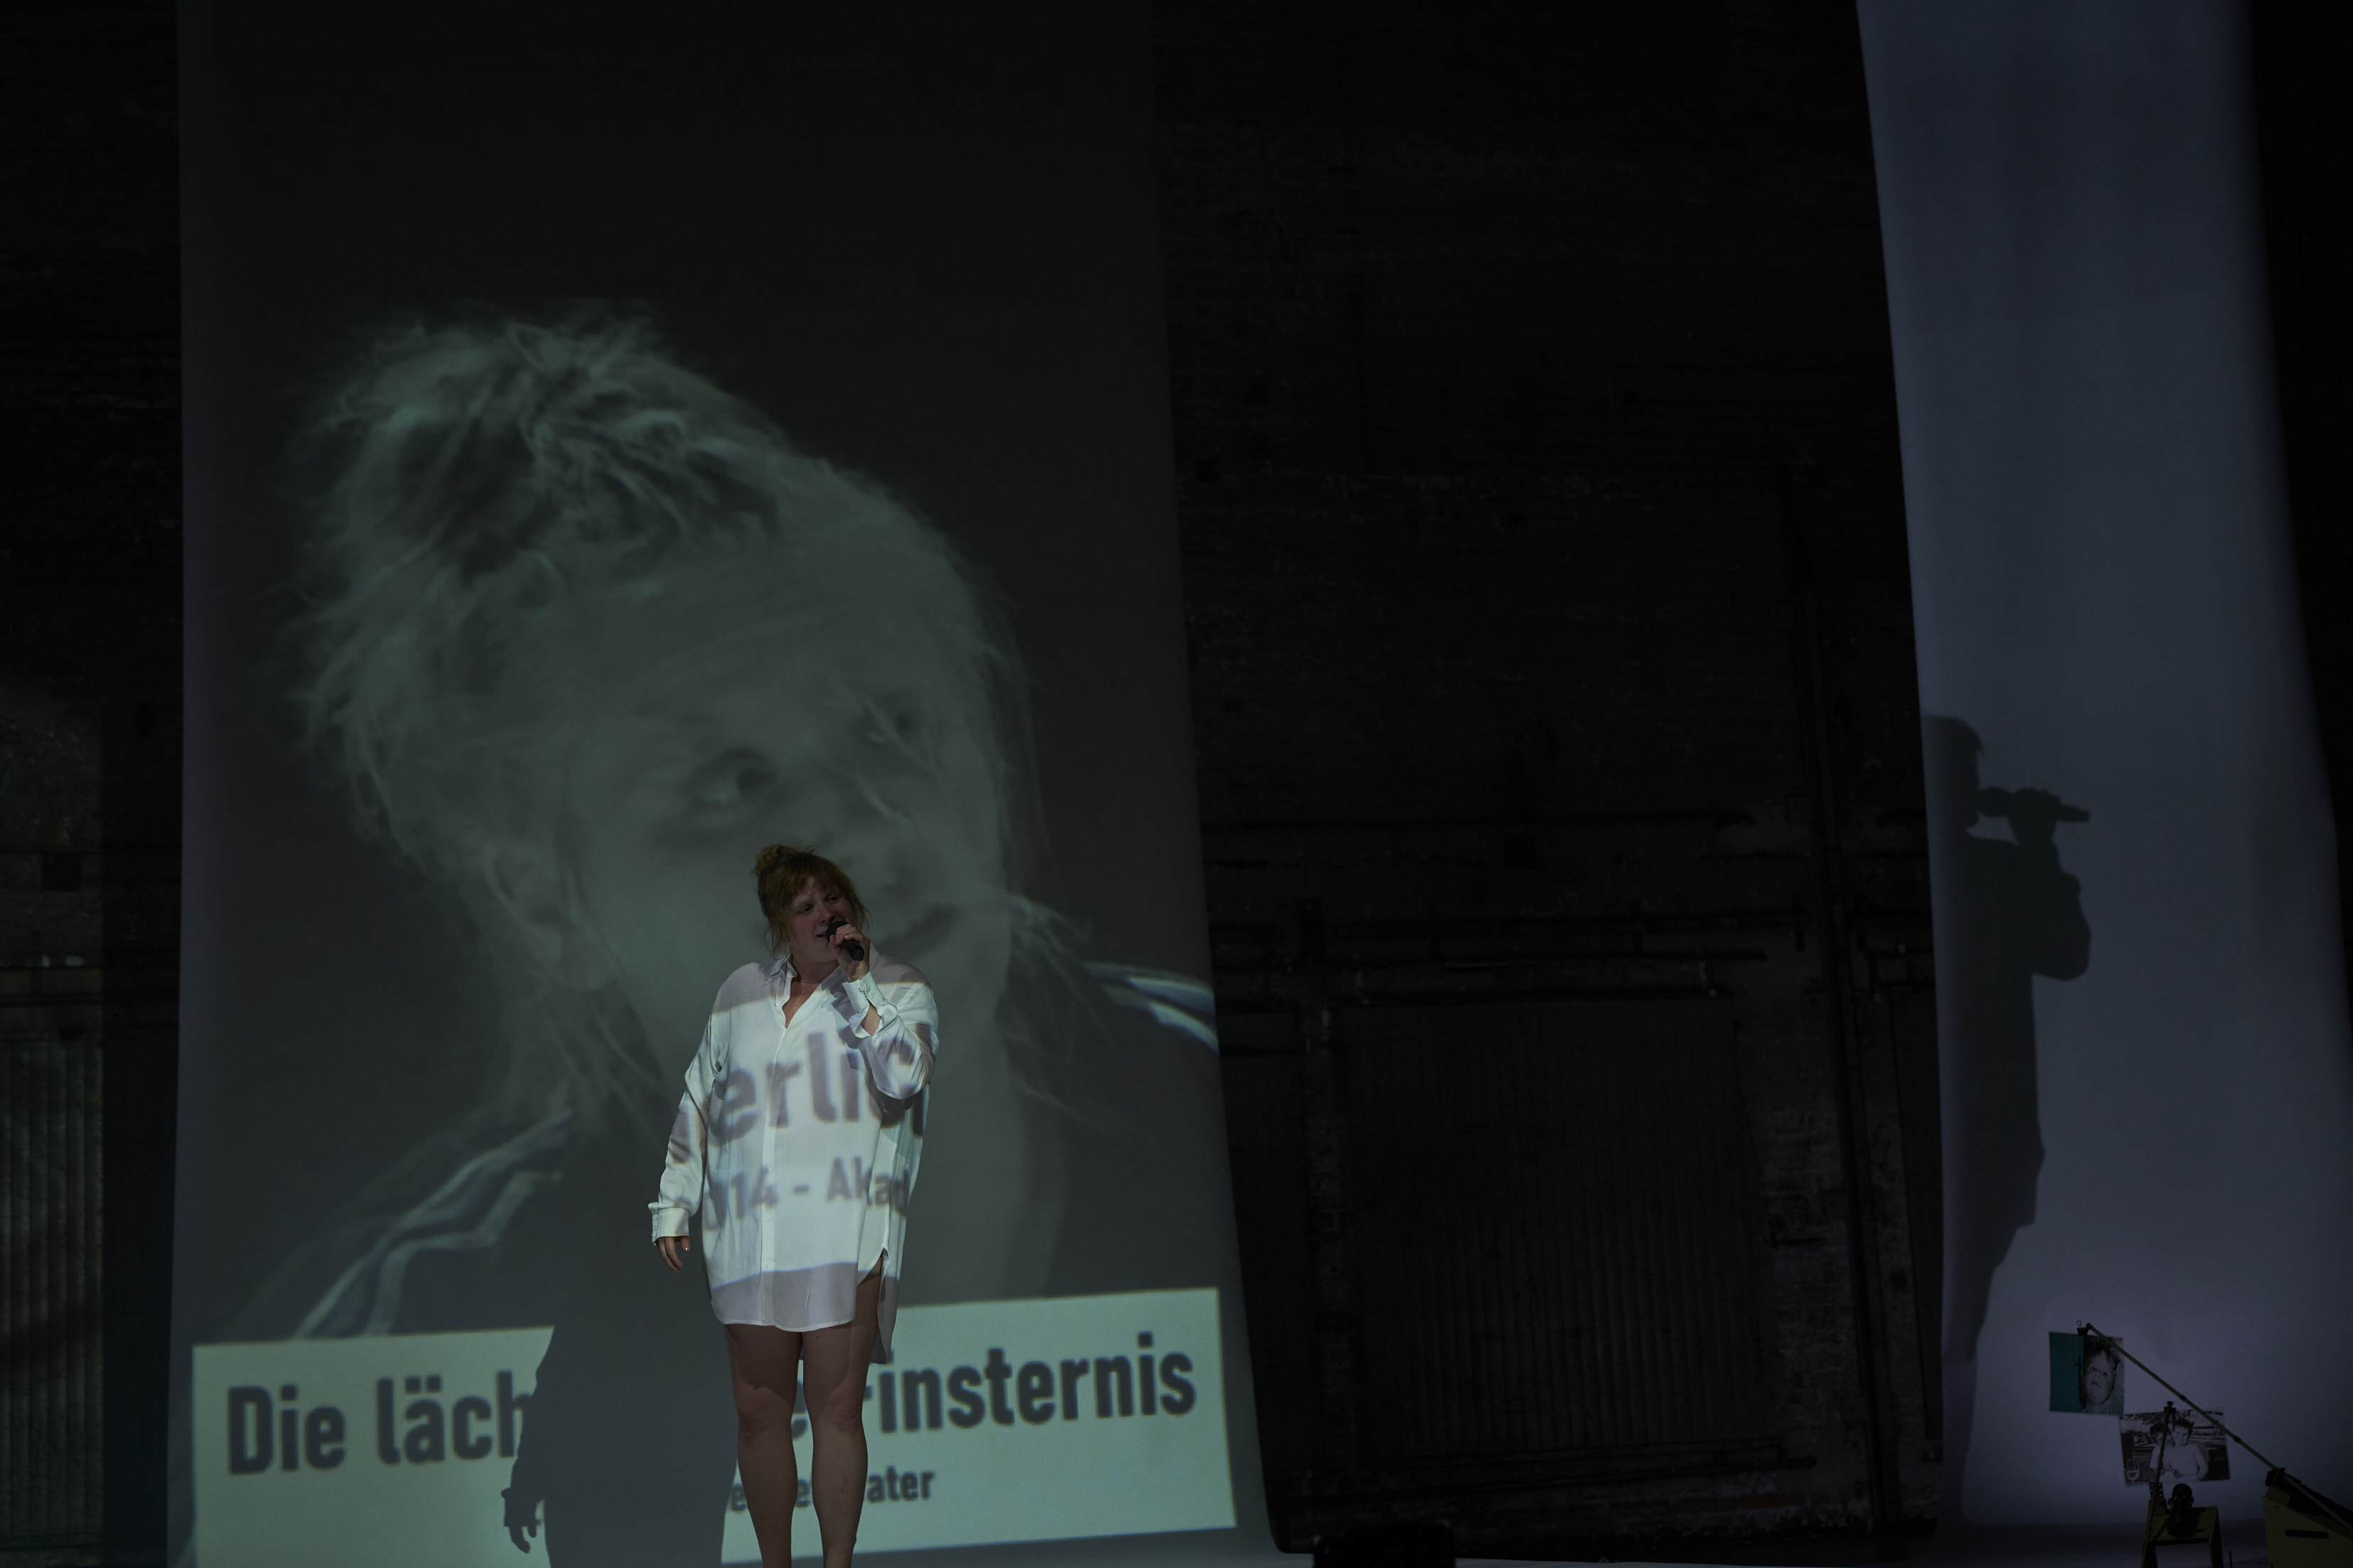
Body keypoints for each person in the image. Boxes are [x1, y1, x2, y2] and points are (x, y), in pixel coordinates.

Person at [186, 311, 1227, 1567]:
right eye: (732, 784)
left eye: (897, 726)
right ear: (548, 906)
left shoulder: (1228, 1114)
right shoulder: (405, 1330)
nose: (874, 836)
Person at [652, 845, 936, 1568]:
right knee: (758, 1416)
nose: (824, 914)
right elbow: (699, 1098)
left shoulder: (897, 988)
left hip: (845, 1236)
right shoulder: (741, 993)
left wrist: (860, 986)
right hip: (752, 1238)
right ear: (782, 923)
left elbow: (905, 1077)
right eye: (805, 906)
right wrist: (674, 1201)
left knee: (837, 1412)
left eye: (832, 899)